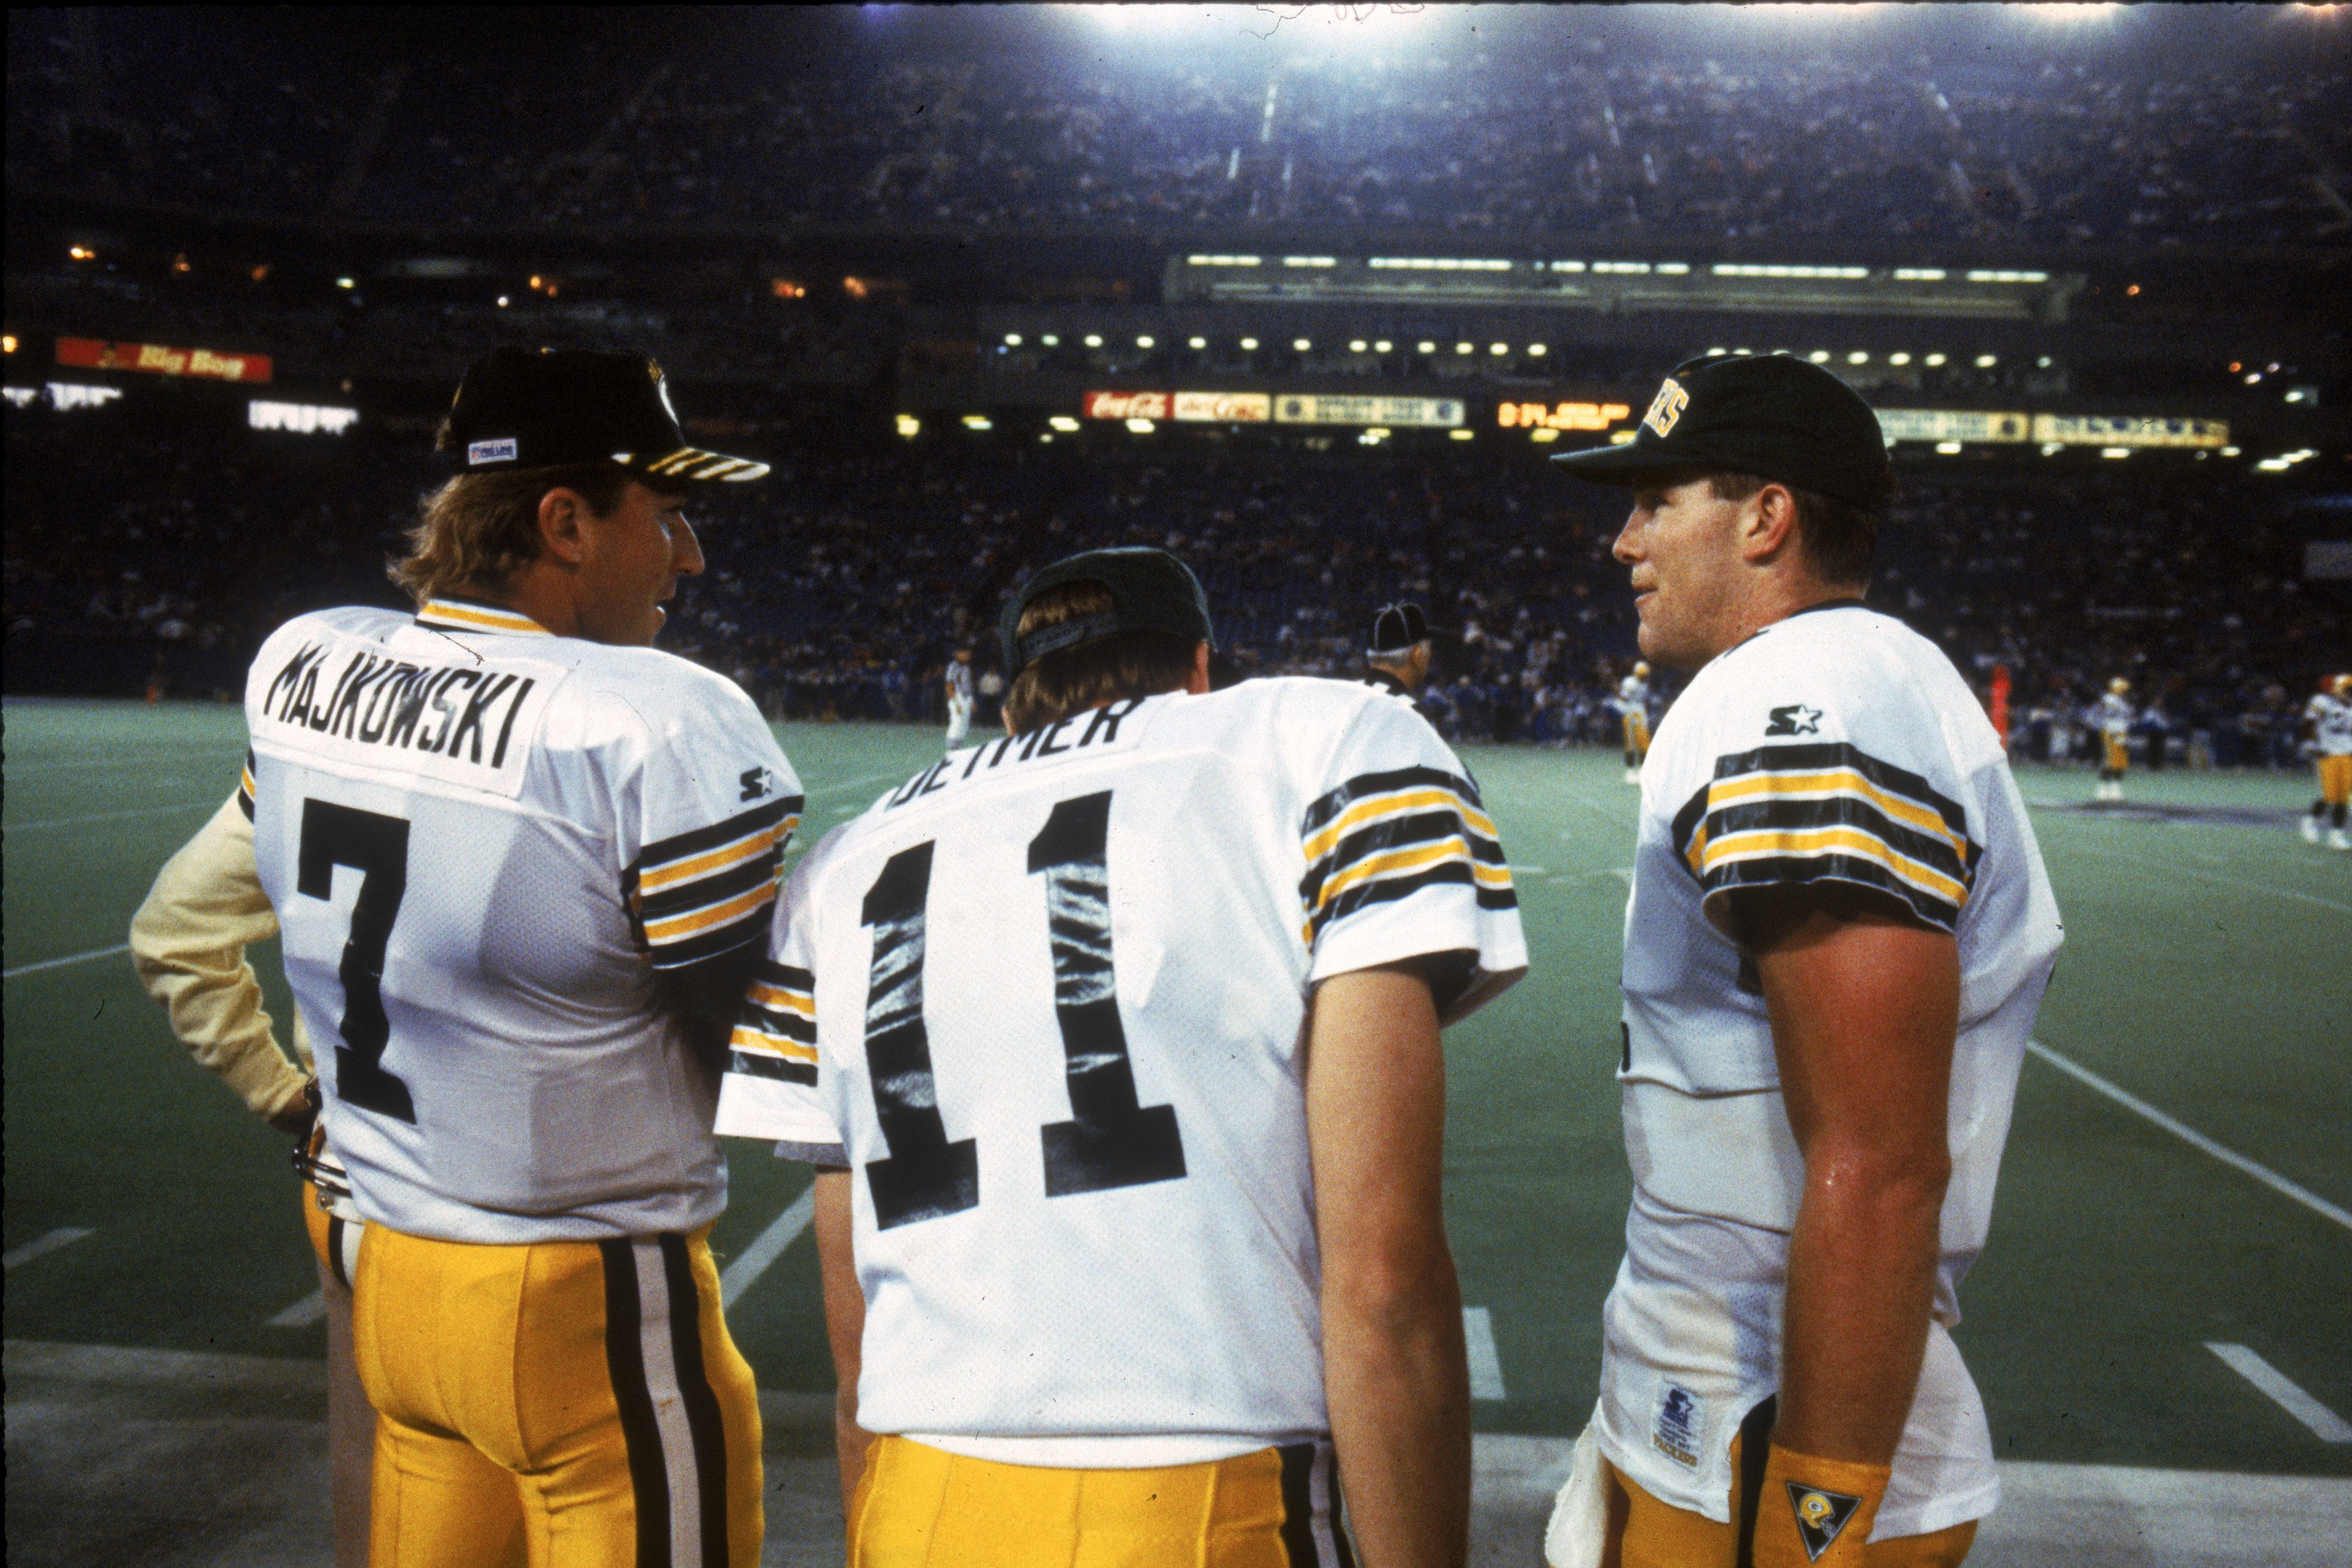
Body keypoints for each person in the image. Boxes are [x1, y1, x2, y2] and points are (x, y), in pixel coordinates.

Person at [715, 546, 1527, 1568]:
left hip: (917, 1503)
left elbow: (855, 1351)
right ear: (1198, 666)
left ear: (1013, 706)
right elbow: (1384, 1283)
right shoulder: (1318, 739)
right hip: (1202, 1498)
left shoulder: (844, 861)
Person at [241, 347, 793, 1567]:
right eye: (666, 514)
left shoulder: (304, 659)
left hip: (392, 1284)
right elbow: (757, 1032)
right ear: (564, 522)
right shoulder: (654, 712)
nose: (689, 558)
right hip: (582, 1305)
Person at [1541, 353, 2063, 1568]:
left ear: (1765, 515)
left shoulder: (1806, 688)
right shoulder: (1806, 680)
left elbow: (1876, 1160)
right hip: (1718, 1397)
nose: (1622, 540)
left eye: (1655, 501)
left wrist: (1808, 1522)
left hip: (1757, 1426)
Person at [131, 791, 381, 1568]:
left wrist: (283, 1099)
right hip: (536, 1198)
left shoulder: (298, 707)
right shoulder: (591, 719)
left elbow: (175, 929)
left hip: (352, 1169)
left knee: (372, 1480)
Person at [2301, 673, 2352, 850]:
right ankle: (2309, 821)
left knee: (2343, 797)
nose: (2349, 692)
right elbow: (2308, 722)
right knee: (2330, 795)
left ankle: (2337, 835)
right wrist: (2309, 743)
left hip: (2348, 755)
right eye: (2347, 689)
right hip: (2327, 753)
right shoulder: (2323, 702)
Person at [1364, 600, 1432, 699]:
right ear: (1417, 654)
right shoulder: (1409, 712)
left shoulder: (1341, 693)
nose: (1431, 653)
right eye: (1429, 647)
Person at [2094, 677, 2134, 801]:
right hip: (2111, 731)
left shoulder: (2122, 701)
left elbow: (2128, 716)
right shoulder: (2109, 698)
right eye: (2122, 688)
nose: (2125, 691)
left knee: (2120, 762)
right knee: (2109, 760)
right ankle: (2103, 788)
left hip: (2122, 732)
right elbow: (2110, 708)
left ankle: (2115, 788)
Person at [1615, 662, 1655, 784]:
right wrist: (1626, 713)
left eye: (1645, 675)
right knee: (1631, 744)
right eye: (1642, 675)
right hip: (1631, 715)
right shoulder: (1630, 683)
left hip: (1641, 714)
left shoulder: (1645, 684)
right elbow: (1621, 701)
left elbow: (1643, 701)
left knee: (1645, 744)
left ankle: (1643, 771)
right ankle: (1630, 772)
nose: (1644, 677)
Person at [944, 647, 976, 752]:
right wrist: (956, 703)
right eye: (966, 653)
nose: (968, 656)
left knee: (964, 724)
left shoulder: (966, 667)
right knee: (957, 723)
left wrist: (972, 701)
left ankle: (958, 748)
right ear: (958, 653)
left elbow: (968, 685)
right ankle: (951, 749)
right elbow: (949, 686)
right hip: (957, 697)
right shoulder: (953, 666)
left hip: (967, 698)